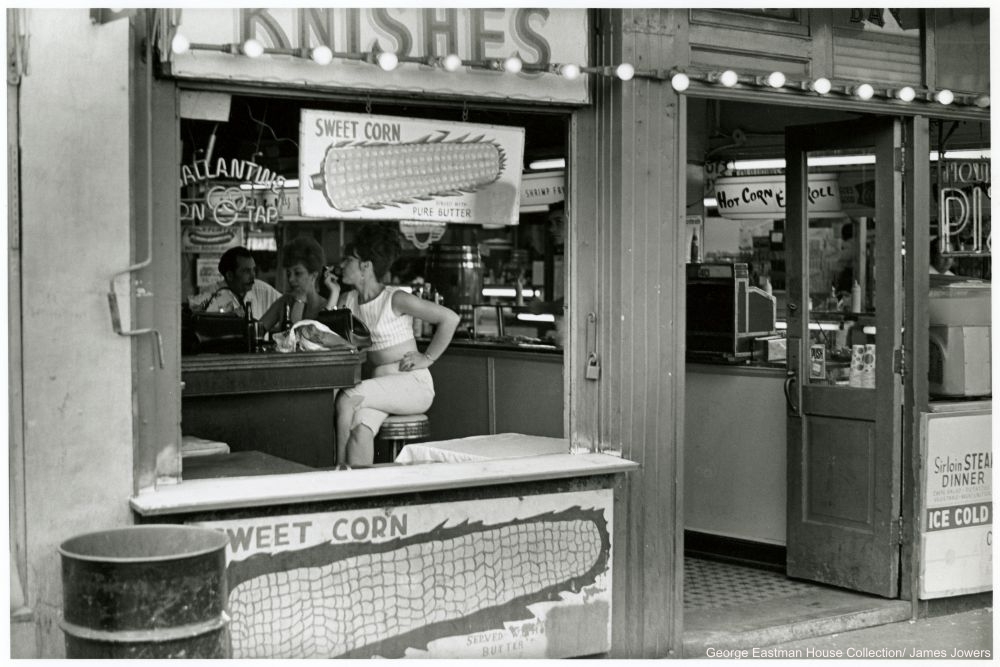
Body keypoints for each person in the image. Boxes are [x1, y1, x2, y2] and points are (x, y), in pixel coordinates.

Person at [325, 222, 460, 467]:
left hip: (412, 385)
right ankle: (362, 497)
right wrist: (333, 294)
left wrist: (427, 358)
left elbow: (449, 318)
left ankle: (338, 478)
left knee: (346, 399)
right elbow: (323, 333)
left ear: (365, 266)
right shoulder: (349, 300)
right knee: (360, 431)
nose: (342, 264)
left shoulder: (395, 298)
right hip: (381, 388)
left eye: (348, 260)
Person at [258, 236, 329, 332]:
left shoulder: (326, 307)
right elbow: (257, 331)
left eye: (297, 273)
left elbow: (298, 339)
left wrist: (299, 303)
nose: (291, 279)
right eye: (288, 273)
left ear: (313, 275)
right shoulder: (284, 301)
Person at [189, 246, 281, 317]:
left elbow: (287, 305)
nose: (253, 276)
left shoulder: (262, 290)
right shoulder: (211, 294)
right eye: (246, 271)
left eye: (253, 270)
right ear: (230, 275)